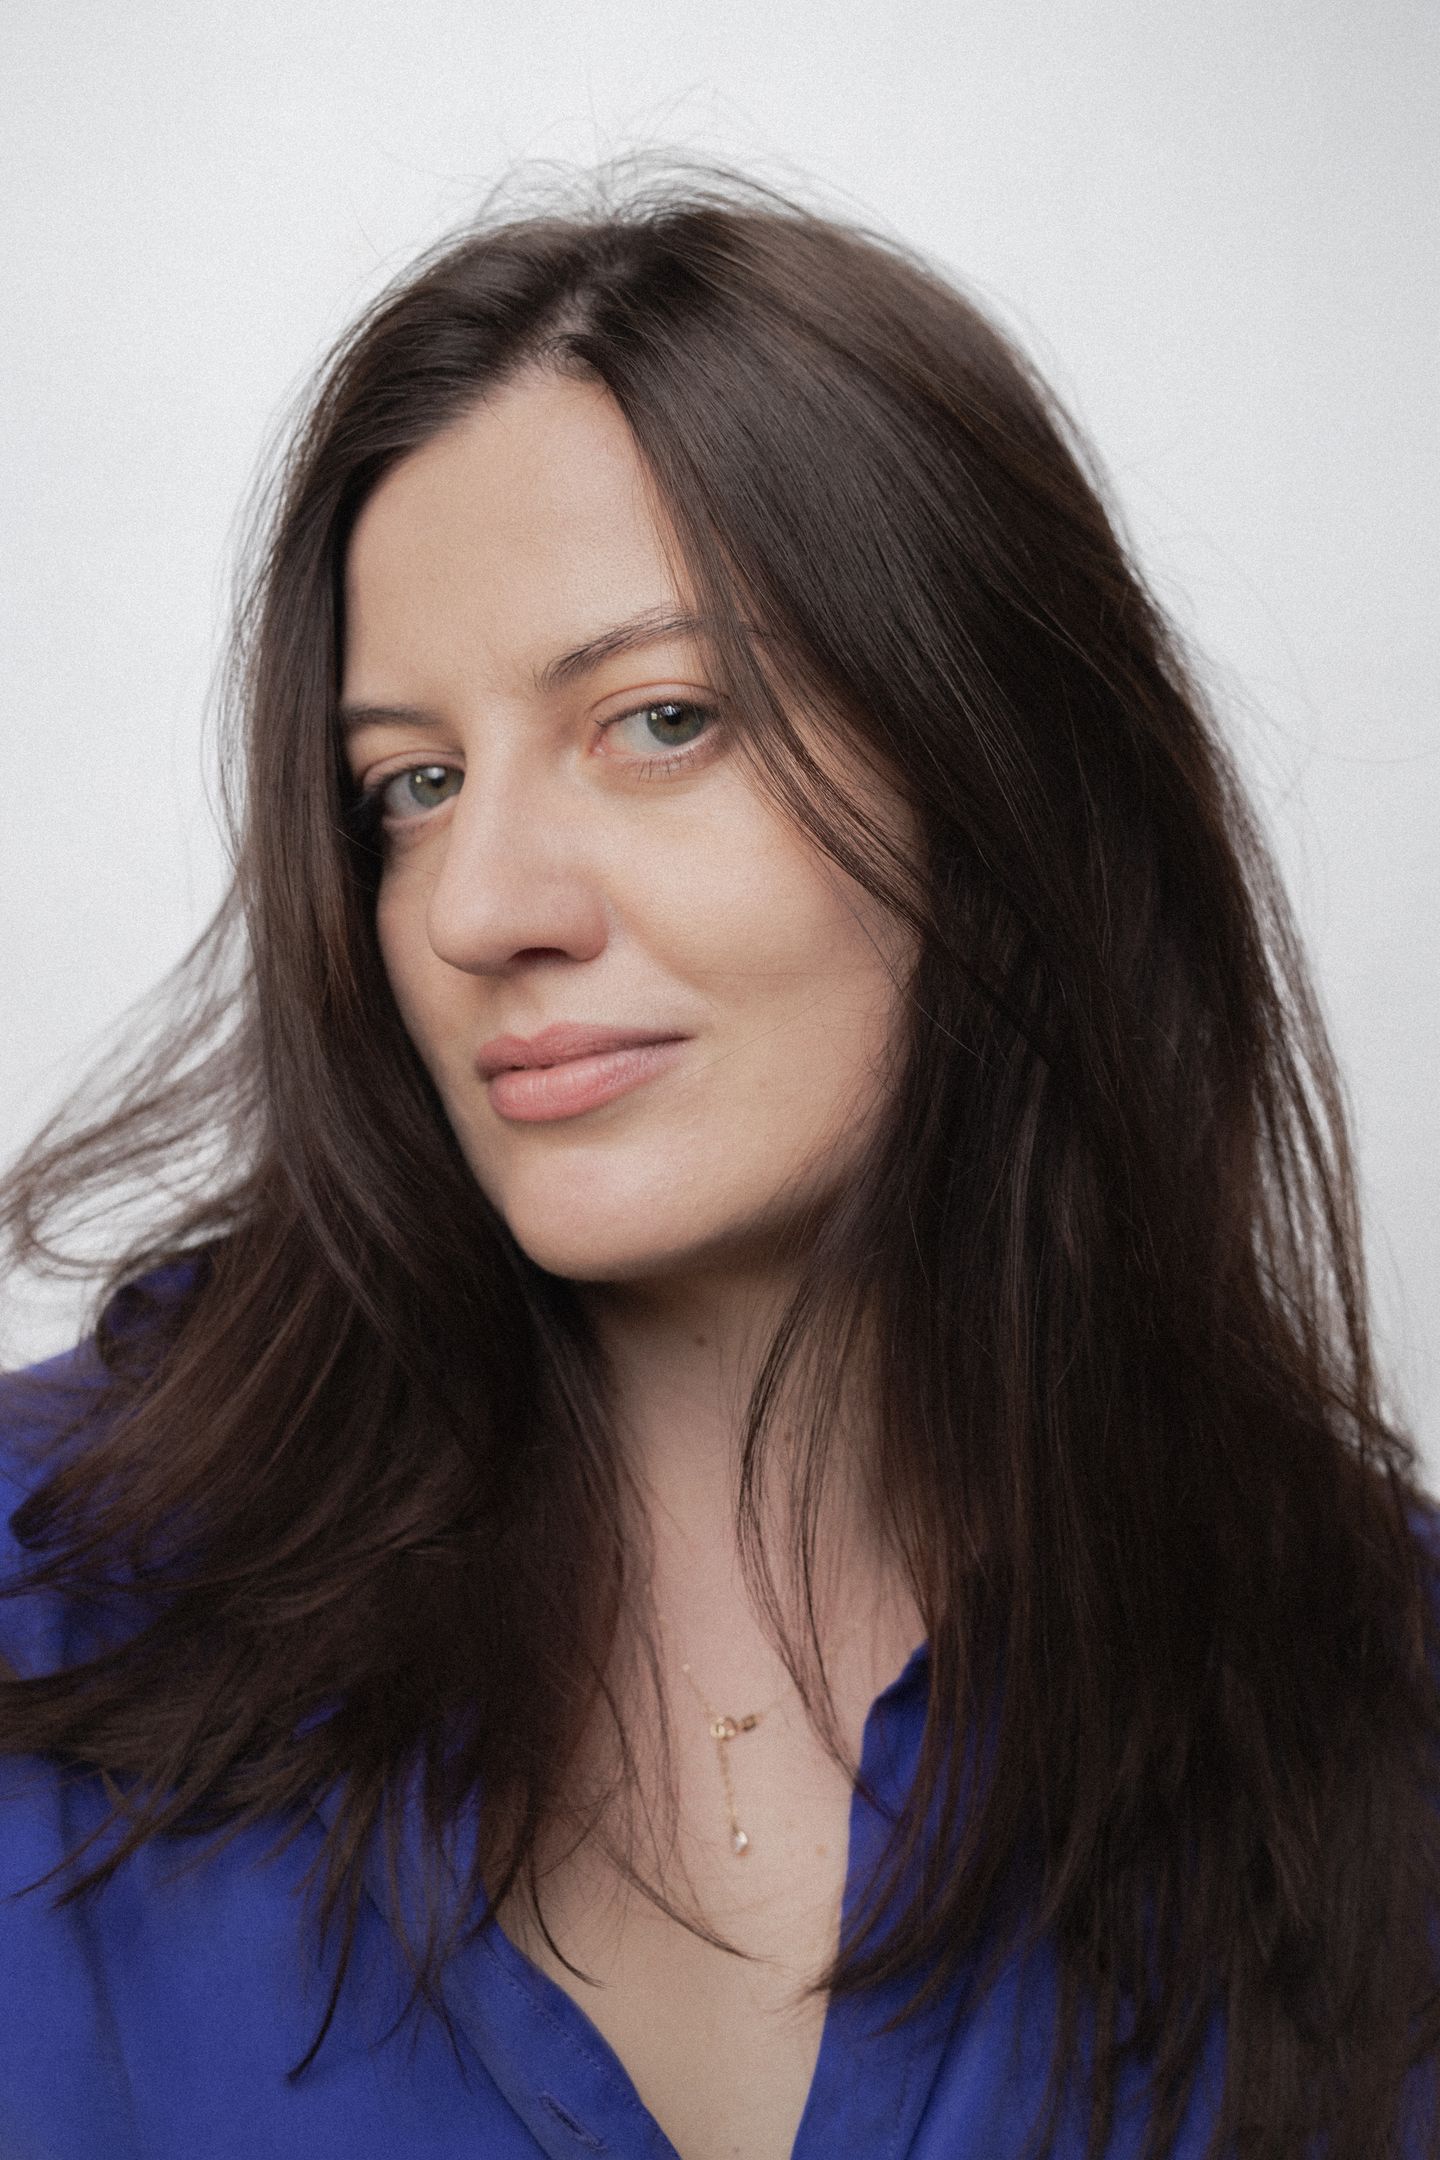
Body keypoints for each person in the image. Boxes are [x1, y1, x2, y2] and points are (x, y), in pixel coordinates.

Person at [1, 161, 1437, 2160]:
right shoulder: (44, 1598)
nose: (478, 905)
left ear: (1008, 779)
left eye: (661, 720)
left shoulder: (1378, 1693)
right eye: (411, 785)